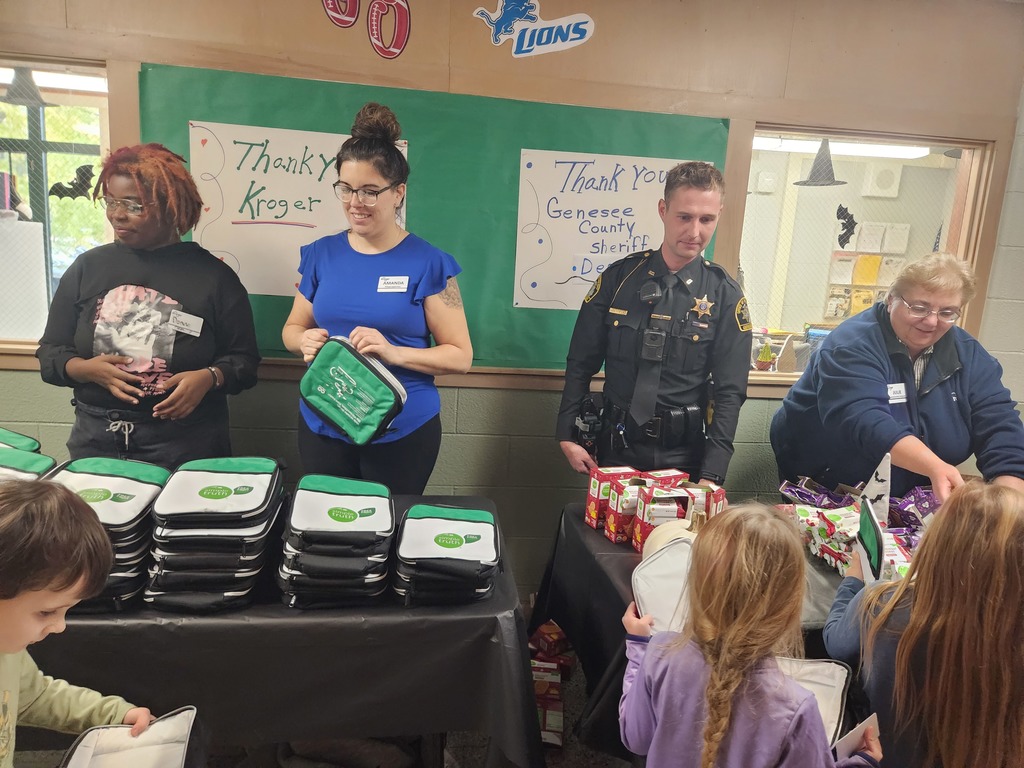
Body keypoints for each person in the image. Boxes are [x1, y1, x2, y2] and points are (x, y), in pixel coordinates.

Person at [282, 103, 472, 495]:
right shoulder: (320, 254)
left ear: (398, 193)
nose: (356, 202)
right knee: (327, 536)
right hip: (324, 420)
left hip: (401, 430)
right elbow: (293, 327)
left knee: (389, 535)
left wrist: (395, 353)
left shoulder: (430, 263)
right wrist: (302, 340)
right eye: (346, 188)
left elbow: (460, 356)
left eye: (371, 191)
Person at [36, 143, 260, 470]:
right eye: (110, 201)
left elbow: (245, 362)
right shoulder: (87, 268)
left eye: (133, 205)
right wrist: (84, 369)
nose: (117, 214)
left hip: (186, 443)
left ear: (171, 206)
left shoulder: (215, 278)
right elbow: (50, 353)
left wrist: (210, 377)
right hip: (96, 439)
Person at [619, 504, 882, 768]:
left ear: (695, 586)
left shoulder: (660, 654)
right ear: (790, 608)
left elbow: (635, 738)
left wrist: (638, 647)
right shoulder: (795, 708)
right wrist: (862, 762)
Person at [555, 161, 751, 484]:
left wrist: (712, 475)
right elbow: (580, 363)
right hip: (615, 448)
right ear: (663, 209)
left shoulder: (725, 295)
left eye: (707, 219)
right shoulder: (619, 279)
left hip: (684, 458)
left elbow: (730, 393)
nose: (694, 231)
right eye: (684, 217)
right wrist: (567, 434)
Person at [771, 252, 1024, 502]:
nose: (932, 321)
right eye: (919, 307)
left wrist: (1009, 498)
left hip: (911, 493)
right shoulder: (852, 344)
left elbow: (999, 426)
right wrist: (935, 466)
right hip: (831, 482)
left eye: (947, 312)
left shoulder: (968, 355)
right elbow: (866, 420)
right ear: (891, 299)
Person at [823, 481, 1024, 768]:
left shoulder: (881, 603)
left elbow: (835, 642)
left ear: (935, 543)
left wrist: (852, 581)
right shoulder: (1012, 637)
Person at [0, 479, 153, 767]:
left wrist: (112, 715)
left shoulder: (8, 652)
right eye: (46, 613)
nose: (60, 627)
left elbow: (35, 697)